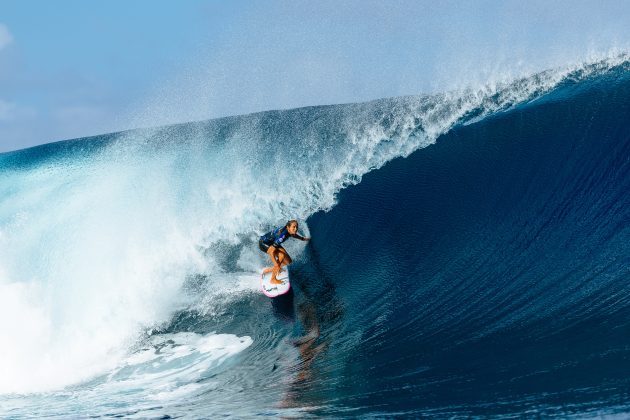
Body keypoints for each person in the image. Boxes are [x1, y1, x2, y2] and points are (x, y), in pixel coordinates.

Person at [259, 220, 310, 284]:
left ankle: (268, 270)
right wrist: (276, 264)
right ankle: (273, 279)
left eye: (296, 227)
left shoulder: (288, 230)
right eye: (294, 227)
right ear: (288, 227)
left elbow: (293, 235)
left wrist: (303, 238)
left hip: (272, 242)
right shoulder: (282, 236)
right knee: (281, 256)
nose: (296, 229)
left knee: (288, 261)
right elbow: (271, 251)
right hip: (263, 243)